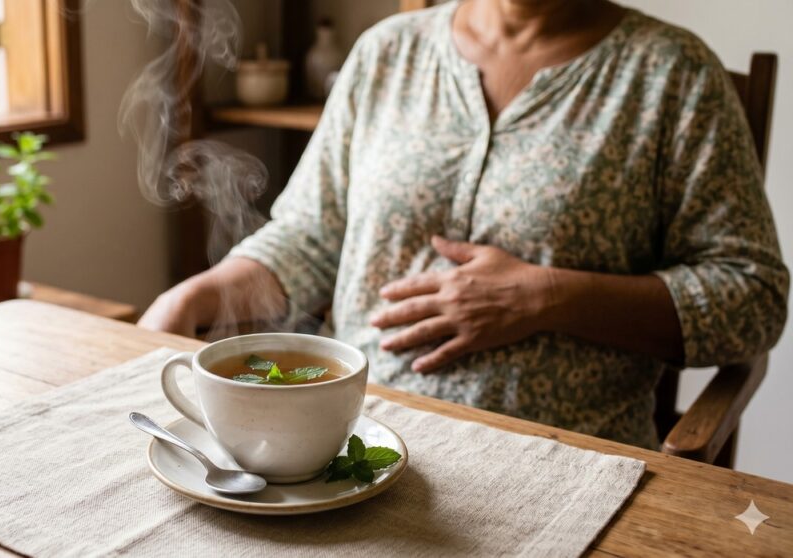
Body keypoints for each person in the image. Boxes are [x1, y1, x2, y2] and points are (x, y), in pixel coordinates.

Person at [139, 0, 789, 448]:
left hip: (563, 463)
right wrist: (193, 296)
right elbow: (314, 233)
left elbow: (752, 299)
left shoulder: (673, 74)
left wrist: (547, 298)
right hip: (351, 442)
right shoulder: (386, 53)